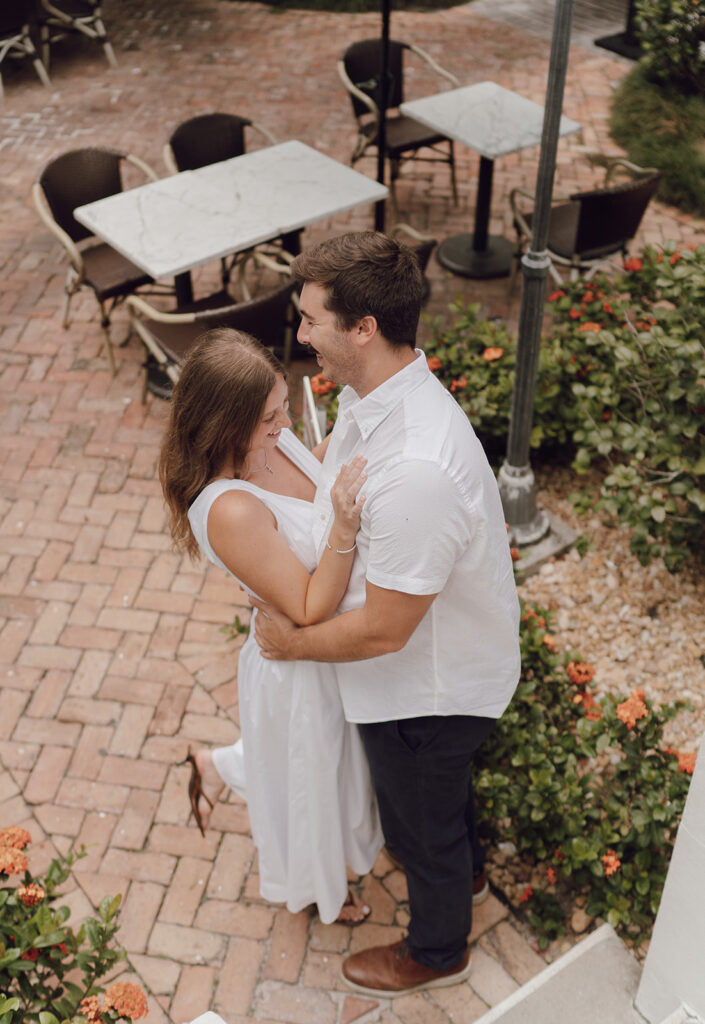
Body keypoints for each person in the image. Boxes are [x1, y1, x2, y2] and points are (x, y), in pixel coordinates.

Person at [251, 231, 521, 996]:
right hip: (426, 670)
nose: (300, 336)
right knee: (444, 808)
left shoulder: (416, 470)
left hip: (426, 690)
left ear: (363, 328)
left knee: (419, 825)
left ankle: (438, 952)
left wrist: (290, 642)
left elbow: (385, 629)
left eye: (310, 321)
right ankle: (465, 879)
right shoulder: (376, 396)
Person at [158, 327, 382, 926]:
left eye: (284, 407)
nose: (286, 425)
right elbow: (308, 606)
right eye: (270, 417)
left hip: (328, 651)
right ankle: (317, 893)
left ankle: (214, 765)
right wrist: (342, 526)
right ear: (224, 426)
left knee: (325, 770)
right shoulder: (228, 508)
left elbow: (318, 469)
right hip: (298, 666)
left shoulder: (270, 443)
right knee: (311, 785)